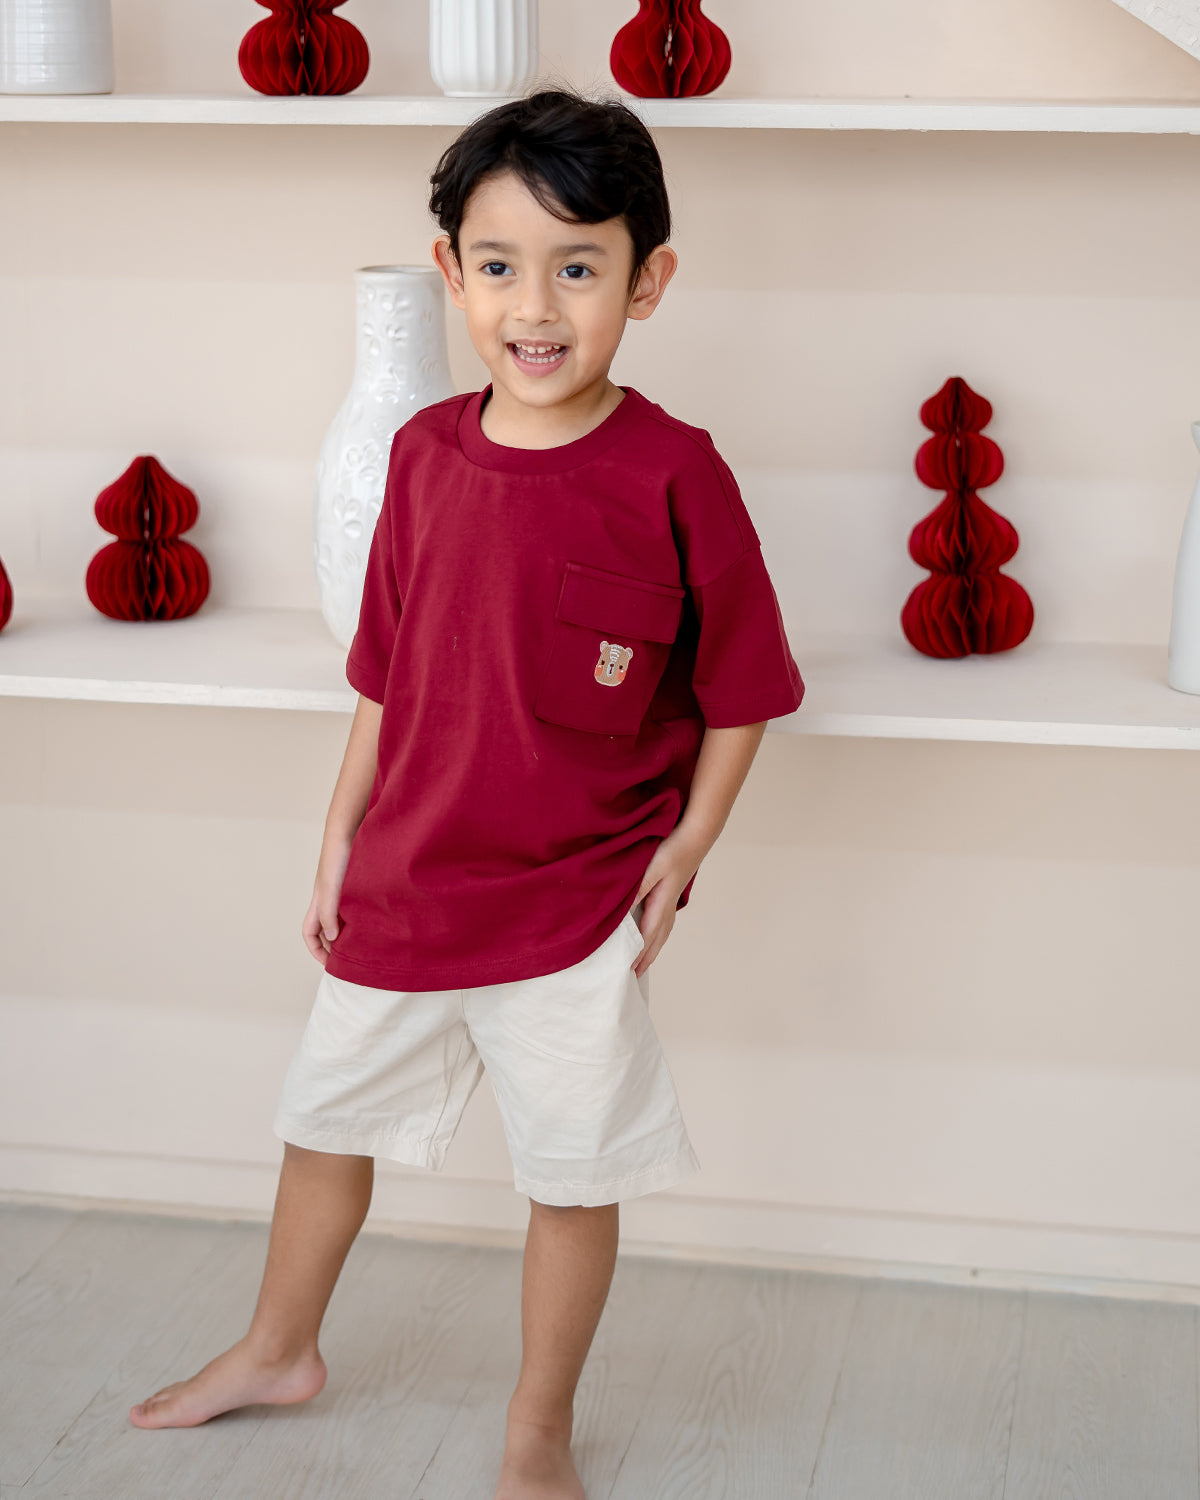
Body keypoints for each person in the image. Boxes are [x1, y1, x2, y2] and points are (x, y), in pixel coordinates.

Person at [128, 85, 804, 1499]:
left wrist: (687, 847)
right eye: (498, 266)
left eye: (580, 267)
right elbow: (382, 675)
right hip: (411, 878)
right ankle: (277, 1345)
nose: (535, 306)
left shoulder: (676, 474)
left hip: (574, 901)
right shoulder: (423, 458)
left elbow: (744, 688)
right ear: (450, 274)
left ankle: (537, 1423)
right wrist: (334, 842)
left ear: (648, 281)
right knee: (325, 1125)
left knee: (570, 1172)